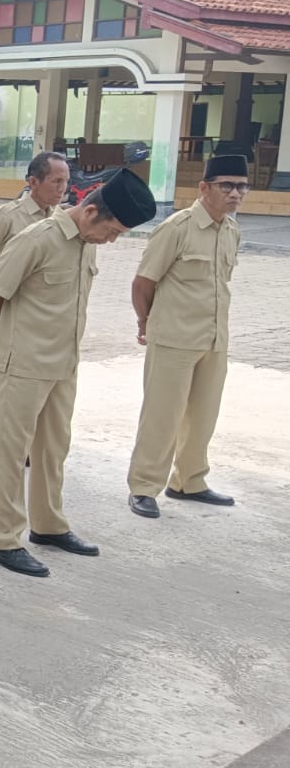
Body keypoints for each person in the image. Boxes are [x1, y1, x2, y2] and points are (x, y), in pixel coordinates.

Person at [0, 169, 156, 577]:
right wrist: (22, 332)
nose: (111, 241)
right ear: (90, 212)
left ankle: (48, 525)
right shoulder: (37, 239)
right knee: (9, 452)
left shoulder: (86, 243)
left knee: (53, 448)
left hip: (64, 363)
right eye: (112, 231)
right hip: (23, 363)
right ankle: (2, 540)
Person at [126, 154, 245, 518]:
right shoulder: (177, 228)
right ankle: (144, 486)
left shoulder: (231, 230)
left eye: (242, 187)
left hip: (213, 339)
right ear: (204, 187)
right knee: (162, 416)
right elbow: (143, 283)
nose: (236, 194)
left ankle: (189, 481)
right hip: (173, 339)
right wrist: (146, 322)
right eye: (227, 186)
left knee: (203, 416)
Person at [0, 152, 68, 477]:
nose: (61, 188)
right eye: (55, 181)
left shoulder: (59, 219)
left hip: (33, 321)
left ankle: (16, 447)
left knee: (23, 387)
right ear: (33, 181)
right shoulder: (7, 217)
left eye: (65, 181)